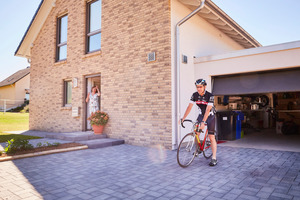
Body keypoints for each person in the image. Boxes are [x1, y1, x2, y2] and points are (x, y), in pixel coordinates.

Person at [180, 79, 218, 166]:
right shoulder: (194, 95)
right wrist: (183, 118)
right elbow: (189, 107)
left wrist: (203, 122)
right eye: (197, 87)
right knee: (196, 132)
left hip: (210, 116)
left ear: (204, 87)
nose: (199, 89)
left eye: (200, 87)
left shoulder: (210, 95)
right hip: (201, 115)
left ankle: (214, 158)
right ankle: (199, 147)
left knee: (211, 137)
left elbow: (208, 110)